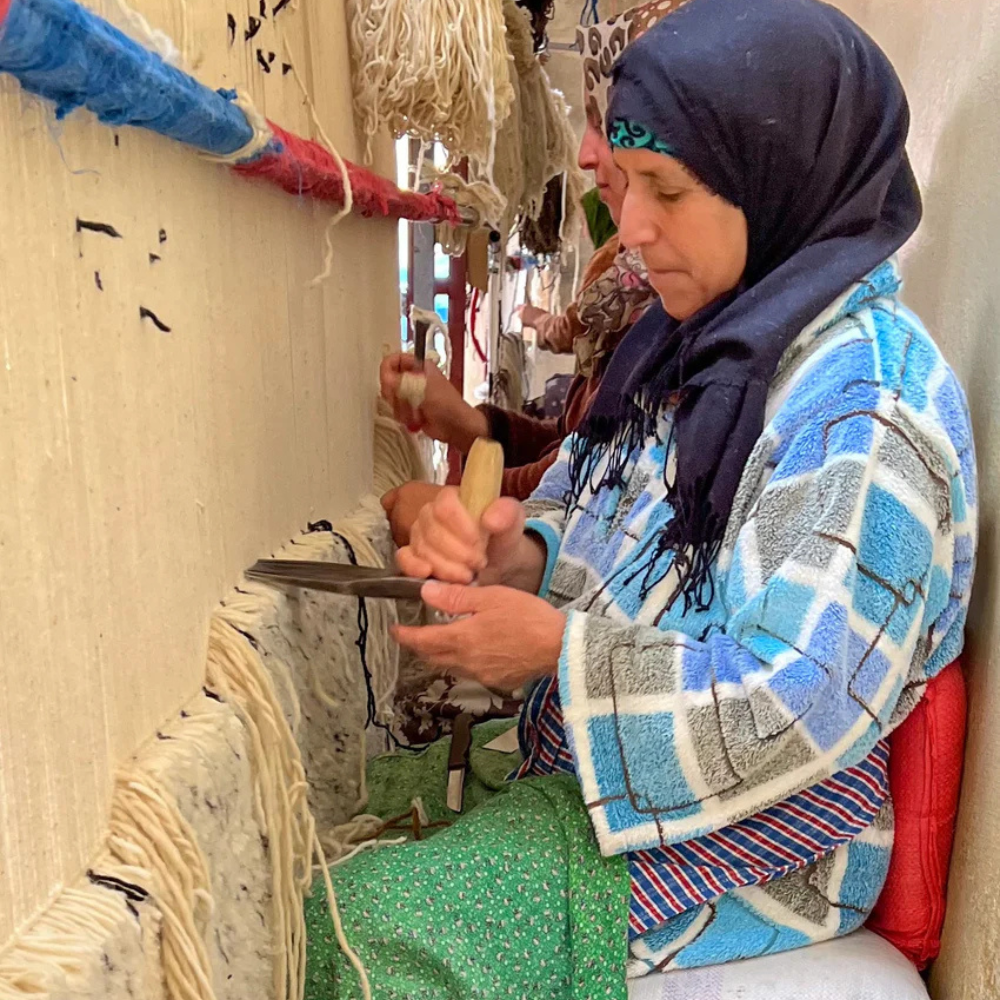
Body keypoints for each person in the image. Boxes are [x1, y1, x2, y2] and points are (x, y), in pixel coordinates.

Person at [304, 0, 976, 994]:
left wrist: (552, 652)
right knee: (339, 811)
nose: (633, 225)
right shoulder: (694, 343)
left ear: (777, 178)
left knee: (342, 932)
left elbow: (790, 706)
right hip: (619, 771)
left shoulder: (867, 414)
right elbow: (588, 517)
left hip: (766, 837)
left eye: (664, 187)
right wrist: (511, 553)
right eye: (628, 184)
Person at [378, 4, 673, 542]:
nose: (585, 154)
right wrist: (473, 427)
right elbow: (574, 446)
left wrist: (467, 509)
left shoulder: (681, 317)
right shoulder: (627, 280)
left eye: (605, 125)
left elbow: (593, 495)